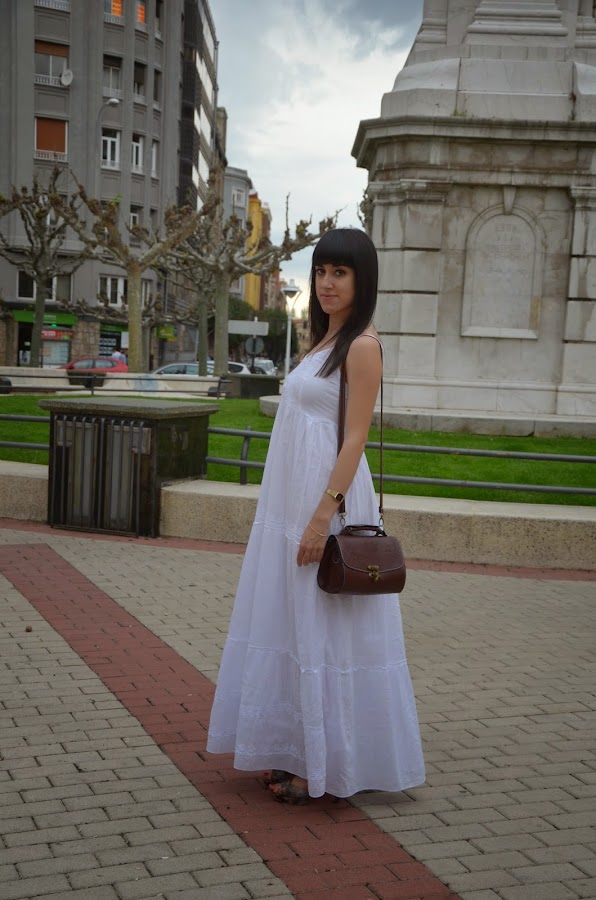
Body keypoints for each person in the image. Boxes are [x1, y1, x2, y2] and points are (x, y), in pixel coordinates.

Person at [207, 228, 425, 803]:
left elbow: (355, 439)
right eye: (322, 271)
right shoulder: (324, 338)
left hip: (327, 501)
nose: (327, 283)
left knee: (326, 630)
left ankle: (326, 764)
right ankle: (294, 748)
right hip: (293, 498)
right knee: (295, 621)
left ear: (362, 279)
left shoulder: (362, 345)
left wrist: (319, 517)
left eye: (340, 273)